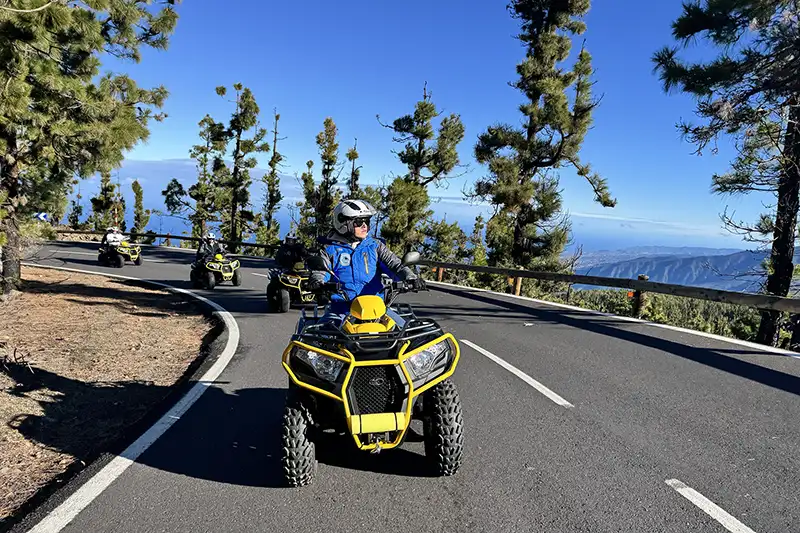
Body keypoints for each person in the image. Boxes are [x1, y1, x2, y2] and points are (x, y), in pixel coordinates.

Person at [307, 199, 423, 320]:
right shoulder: (330, 250)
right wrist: (318, 282)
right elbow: (321, 271)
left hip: (376, 310)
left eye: (366, 221)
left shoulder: (375, 246)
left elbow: (395, 265)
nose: (365, 226)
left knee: (403, 330)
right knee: (324, 334)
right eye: (358, 222)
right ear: (343, 223)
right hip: (342, 310)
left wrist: (411, 277)